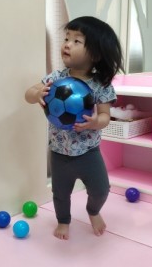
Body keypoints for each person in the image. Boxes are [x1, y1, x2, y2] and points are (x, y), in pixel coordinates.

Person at [25, 16, 124, 240]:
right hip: (59, 152)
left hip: (89, 152)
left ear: (95, 54)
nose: (67, 44)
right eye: (66, 38)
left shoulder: (100, 85)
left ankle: (93, 211)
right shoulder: (55, 78)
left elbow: (105, 116)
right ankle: (63, 221)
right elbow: (28, 94)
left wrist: (95, 122)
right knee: (60, 193)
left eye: (77, 41)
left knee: (101, 190)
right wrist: (37, 93)